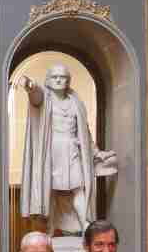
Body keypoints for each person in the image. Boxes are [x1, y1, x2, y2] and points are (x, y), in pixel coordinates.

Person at [14, 65, 99, 235]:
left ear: (68, 80)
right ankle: (50, 227)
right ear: (48, 80)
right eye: (55, 77)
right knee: (50, 190)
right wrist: (31, 86)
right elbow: (36, 96)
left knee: (78, 187)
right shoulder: (45, 98)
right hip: (52, 151)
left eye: (63, 77)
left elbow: (85, 130)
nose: (59, 80)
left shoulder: (76, 101)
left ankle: (85, 225)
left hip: (73, 150)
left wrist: (95, 150)